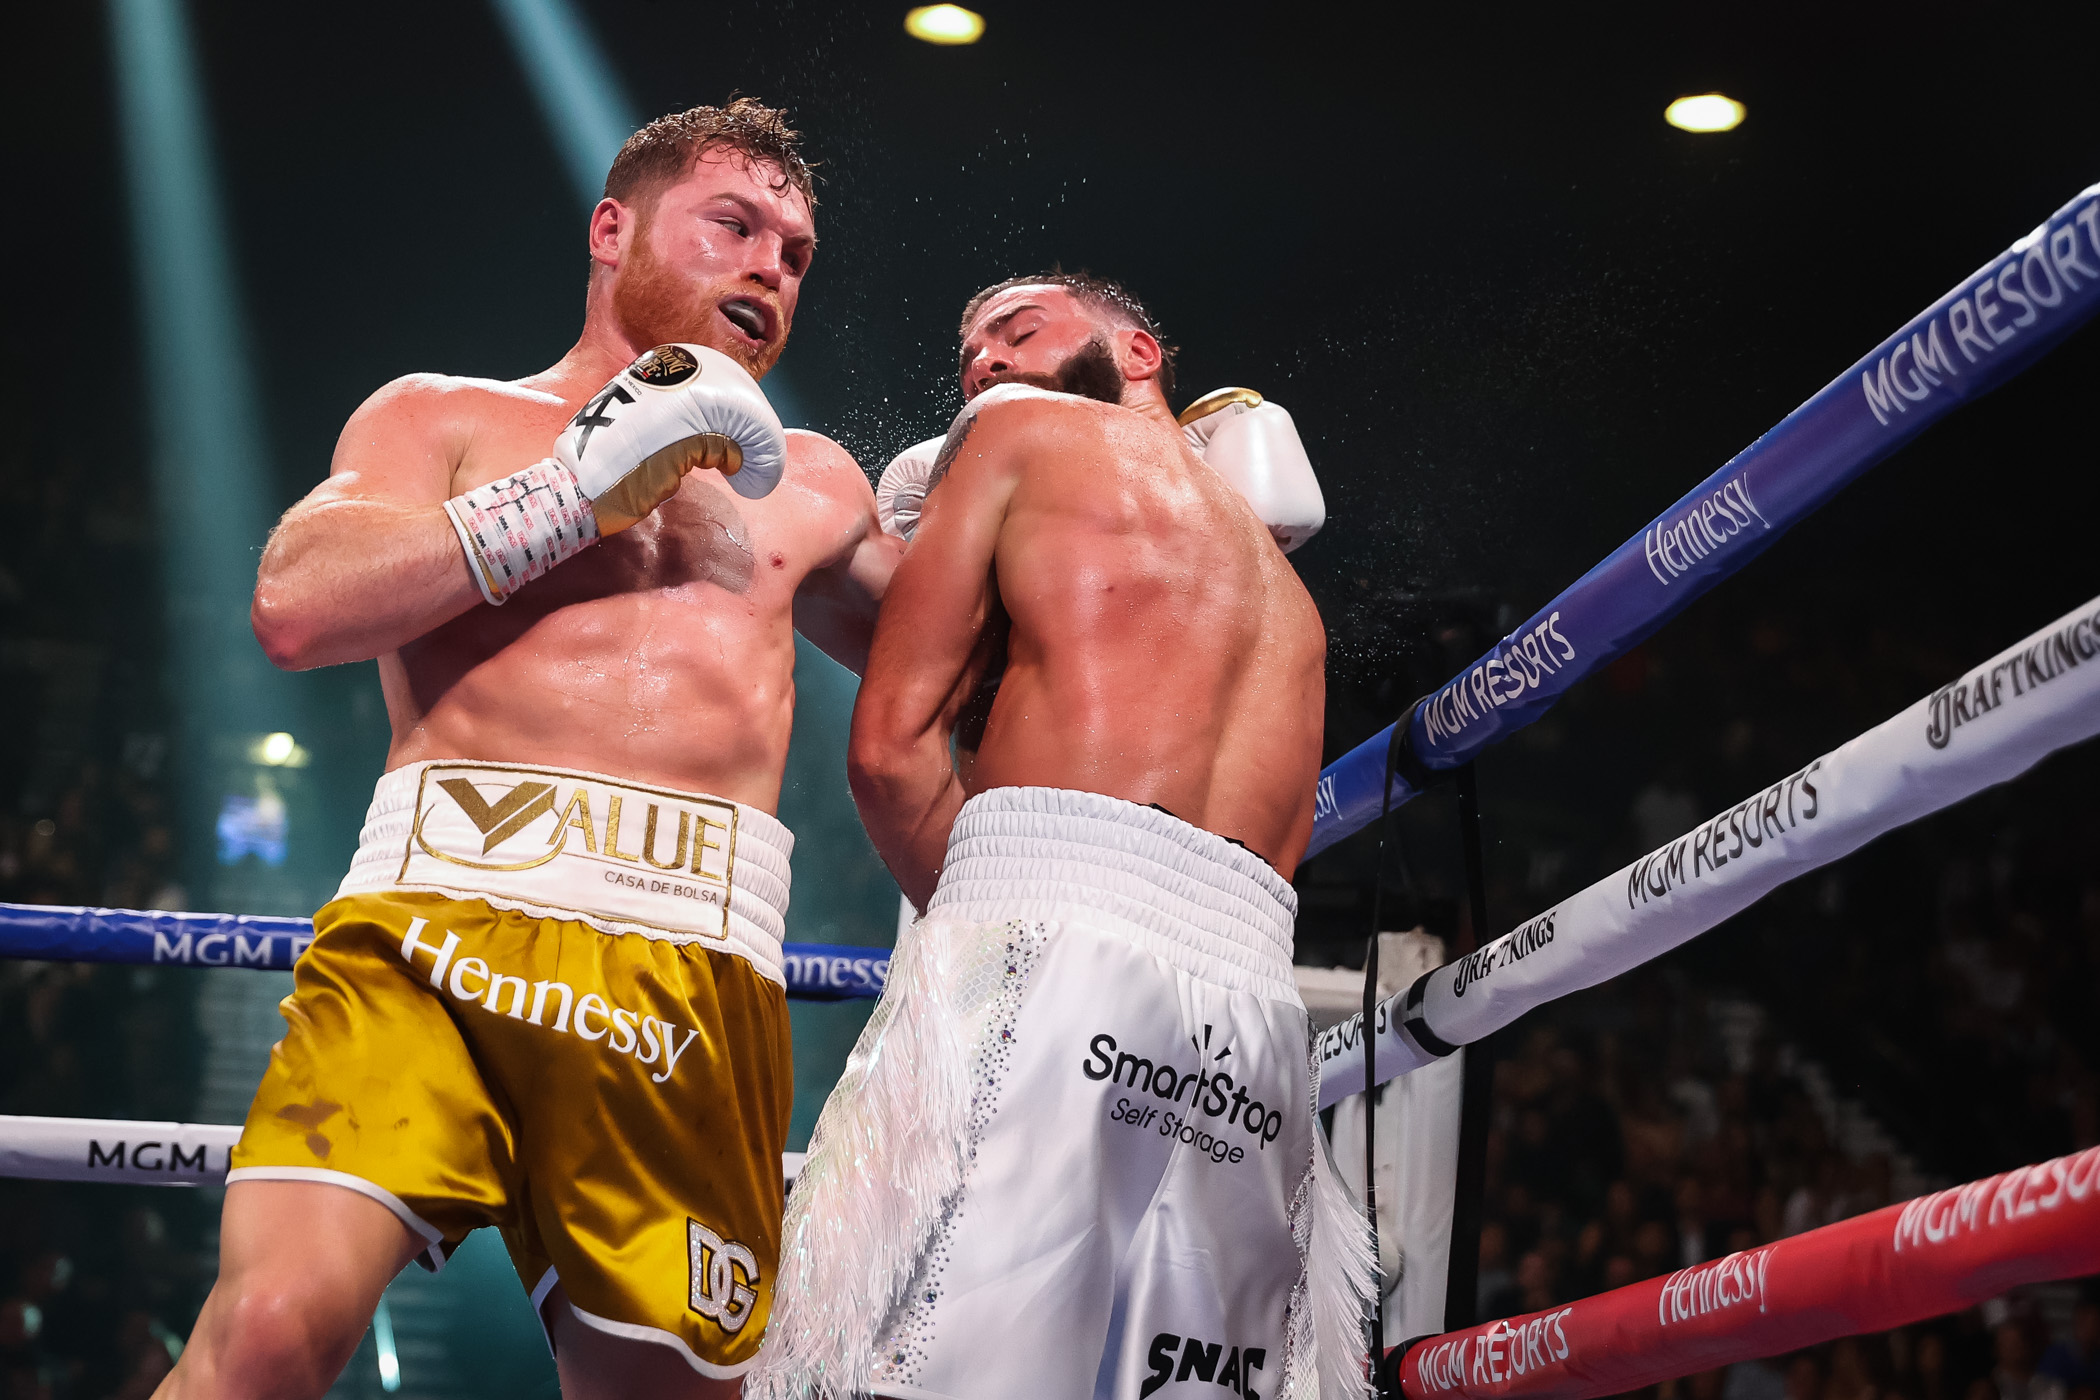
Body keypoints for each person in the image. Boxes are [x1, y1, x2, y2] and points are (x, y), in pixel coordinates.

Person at [155, 100, 900, 1400]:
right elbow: (296, 604)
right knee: (266, 1330)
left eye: (794, 253)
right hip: (435, 930)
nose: (770, 267)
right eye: (733, 225)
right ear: (612, 231)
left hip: (688, 975)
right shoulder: (442, 415)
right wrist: (568, 493)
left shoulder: (816, 483)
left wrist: (1136, 497)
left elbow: (984, 666)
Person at [750, 273, 1366, 1400]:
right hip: (1254, 1032)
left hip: (1047, 956)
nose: (984, 364)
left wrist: (984, 922)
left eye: (1018, 330)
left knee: (904, 1362)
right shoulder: (1289, 594)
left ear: (1139, 352)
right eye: (970, 354)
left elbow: (889, 750)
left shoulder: (1013, 436)